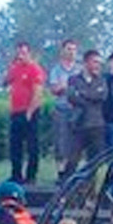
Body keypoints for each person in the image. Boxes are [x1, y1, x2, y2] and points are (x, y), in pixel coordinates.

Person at [4, 43, 45, 184]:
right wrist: (10, 68)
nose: (21, 56)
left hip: (29, 111)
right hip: (15, 110)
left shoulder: (35, 69)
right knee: (15, 144)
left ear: (29, 53)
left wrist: (30, 111)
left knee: (32, 145)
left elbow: (37, 92)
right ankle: (16, 174)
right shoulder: (15, 69)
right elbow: (5, 81)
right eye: (19, 53)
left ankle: (31, 176)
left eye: (23, 53)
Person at [64, 49, 108, 176]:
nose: (97, 65)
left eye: (99, 62)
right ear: (86, 63)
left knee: (96, 161)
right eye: (94, 62)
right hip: (79, 125)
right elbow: (72, 97)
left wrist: (83, 93)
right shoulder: (73, 79)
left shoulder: (101, 80)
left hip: (97, 125)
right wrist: (91, 96)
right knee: (72, 159)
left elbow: (102, 96)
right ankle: (67, 188)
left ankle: (93, 190)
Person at [47, 39, 81, 179]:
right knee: (60, 142)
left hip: (77, 110)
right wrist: (66, 86)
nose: (71, 52)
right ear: (63, 50)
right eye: (68, 49)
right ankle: (60, 173)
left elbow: (83, 88)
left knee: (76, 142)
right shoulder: (56, 69)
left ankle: (72, 173)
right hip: (61, 109)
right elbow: (54, 89)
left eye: (74, 49)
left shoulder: (80, 69)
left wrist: (64, 86)